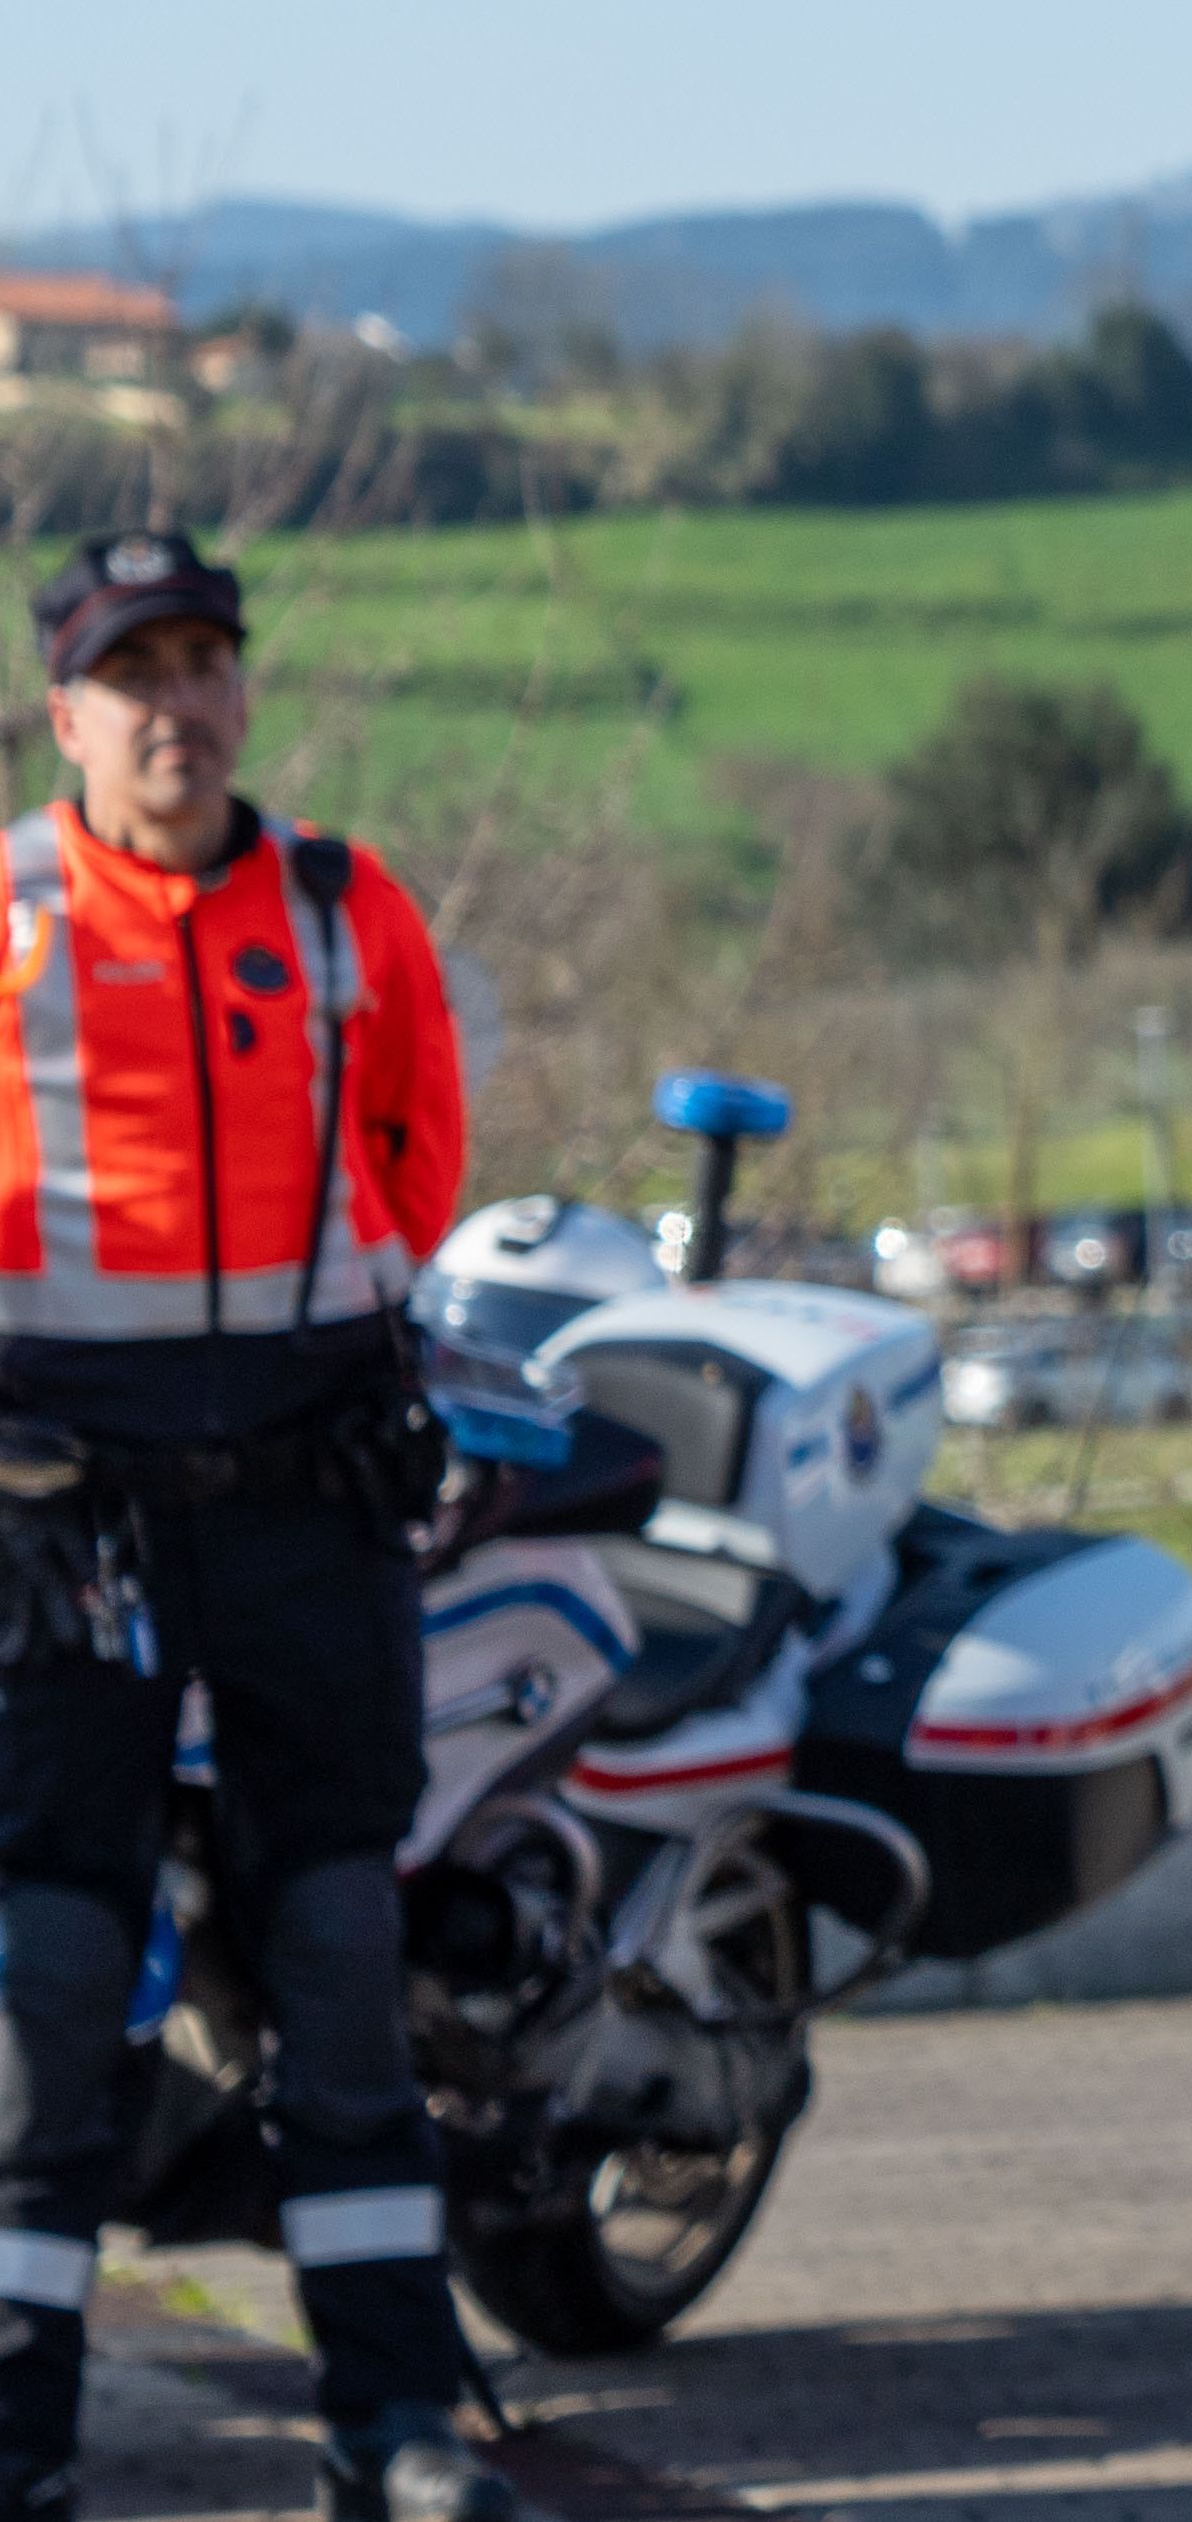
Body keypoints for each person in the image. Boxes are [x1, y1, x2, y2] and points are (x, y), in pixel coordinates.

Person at [0, 530, 507, 2522]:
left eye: (207, 665)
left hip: (305, 1494)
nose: (179, 706)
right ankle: (22, 2439)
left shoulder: (340, 902)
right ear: (69, 717)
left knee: (334, 1942)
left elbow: (415, 1158)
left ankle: (393, 2420)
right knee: (51, 1966)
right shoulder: (15, 915)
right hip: (67, 1514)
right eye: (138, 675)